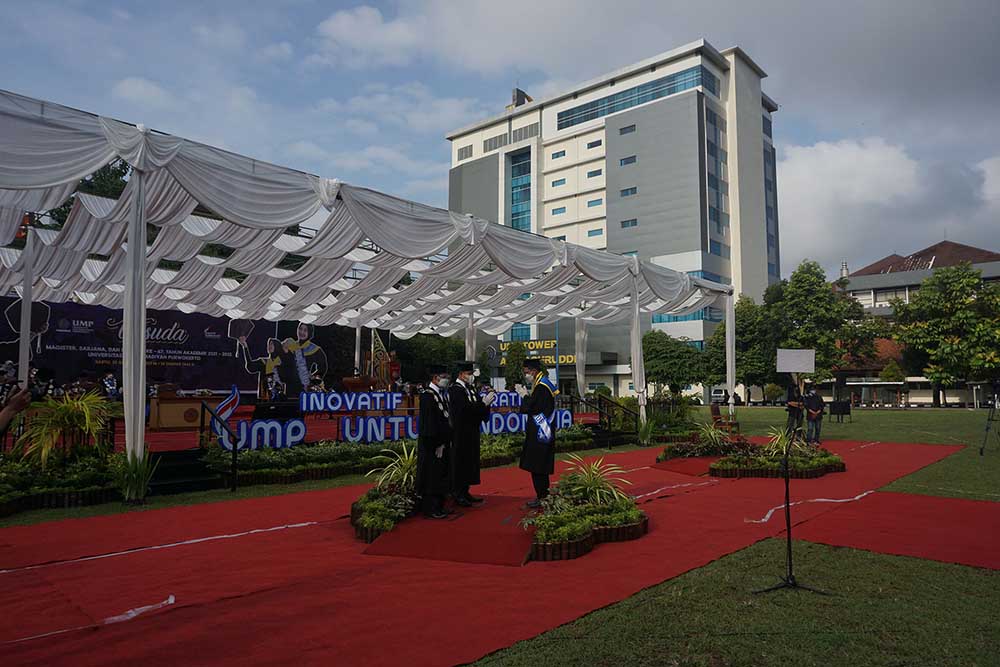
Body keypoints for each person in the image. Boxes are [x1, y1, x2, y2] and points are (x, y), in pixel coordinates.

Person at [448, 362, 495, 507]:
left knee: (470, 461)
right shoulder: (455, 390)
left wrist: (486, 403)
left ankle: (466, 491)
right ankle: (458, 493)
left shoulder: (470, 389)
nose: (471, 377)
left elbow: (477, 405)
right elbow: (465, 410)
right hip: (461, 431)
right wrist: (483, 404)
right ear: (461, 374)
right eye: (469, 374)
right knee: (460, 461)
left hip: (472, 430)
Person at [518, 358, 559, 508]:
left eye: (527, 372)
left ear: (534, 371)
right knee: (540, 466)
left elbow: (532, 408)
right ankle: (543, 495)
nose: (526, 375)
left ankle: (542, 496)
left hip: (540, 432)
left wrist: (524, 396)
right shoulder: (542, 383)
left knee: (537, 466)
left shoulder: (542, 387)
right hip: (543, 429)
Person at [416, 365, 453, 519]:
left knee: (441, 474)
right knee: (431, 475)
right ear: (435, 378)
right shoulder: (427, 396)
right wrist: (436, 443)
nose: (446, 380)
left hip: (443, 443)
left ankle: (439, 505)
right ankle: (430, 508)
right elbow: (428, 424)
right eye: (444, 377)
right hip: (432, 445)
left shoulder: (441, 394)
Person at [239, 336, 287, 401]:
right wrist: (245, 347)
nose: (269, 346)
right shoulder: (264, 362)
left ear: (277, 346)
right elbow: (250, 367)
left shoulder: (283, 362)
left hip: (280, 398)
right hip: (265, 397)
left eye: (271, 344)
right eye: (268, 344)